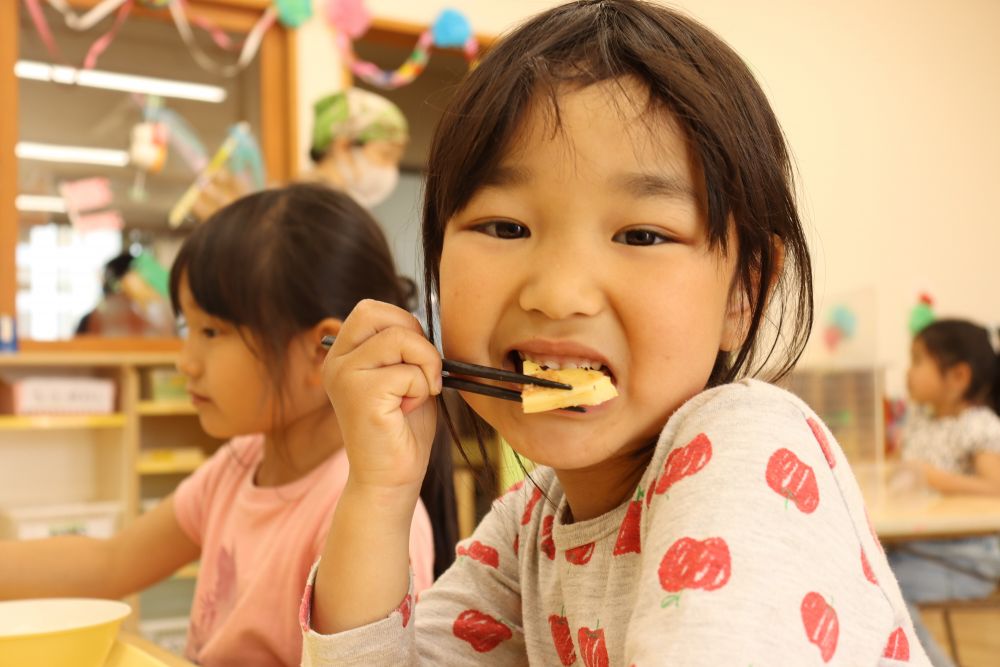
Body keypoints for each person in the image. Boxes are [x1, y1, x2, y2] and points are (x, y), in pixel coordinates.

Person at [299, 1, 932, 665]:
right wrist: (380, 489)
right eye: (506, 227)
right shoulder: (531, 523)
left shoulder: (747, 446)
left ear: (744, 291)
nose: (557, 294)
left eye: (642, 234)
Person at [0, 183, 456, 667]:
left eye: (211, 332)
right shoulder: (240, 463)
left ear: (319, 350)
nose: (186, 362)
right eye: (186, 330)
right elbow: (109, 562)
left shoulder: (370, 513)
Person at [888, 318, 1000, 667]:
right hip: (922, 544)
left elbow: (996, 488)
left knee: (888, 589)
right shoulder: (923, 418)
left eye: (918, 361)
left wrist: (933, 478)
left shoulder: (978, 425)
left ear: (958, 377)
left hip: (969, 557)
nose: (909, 371)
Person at [306, 87, 409, 209]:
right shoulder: (300, 208)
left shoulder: (343, 209)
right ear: (343, 147)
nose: (390, 169)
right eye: (386, 154)